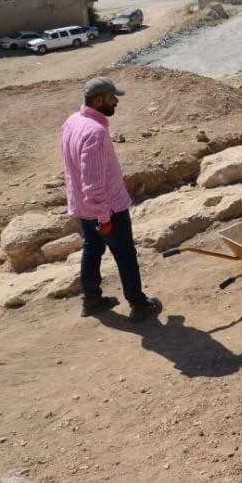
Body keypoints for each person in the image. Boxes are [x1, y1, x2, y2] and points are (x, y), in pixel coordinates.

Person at [61, 76, 162, 321]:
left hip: (85, 208)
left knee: (92, 248)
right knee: (125, 255)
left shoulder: (73, 121)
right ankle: (139, 304)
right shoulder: (95, 132)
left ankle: (92, 300)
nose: (116, 101)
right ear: (98, 100)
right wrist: (104, 217)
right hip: (107, 209)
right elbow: (93, 182)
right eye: (111, 97)